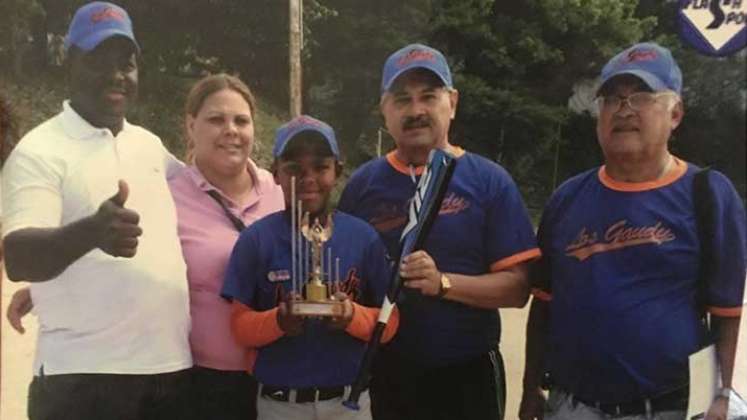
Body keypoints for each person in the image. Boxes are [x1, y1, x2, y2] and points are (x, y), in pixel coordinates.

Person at [519, 42, 746, 420]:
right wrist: (529, 389)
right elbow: (543, 305)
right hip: (573, 405)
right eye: (611, 99)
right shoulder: (568, 199)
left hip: (669, 406)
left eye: (640, 96)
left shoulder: (707, 194)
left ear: (675, 113)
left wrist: (721, 395)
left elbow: (727, 312)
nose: (623, 109)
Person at [0, 3, 192, 419]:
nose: (116, 75)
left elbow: (205, 195)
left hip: (169, 373)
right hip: (84, 381)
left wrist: (257, 173)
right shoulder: (40, 151)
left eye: (126, 64)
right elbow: (17, 256)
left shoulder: (149, 145)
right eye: (99, 62)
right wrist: (92, 233)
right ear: (68, 62)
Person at [337, 43, 539, 420]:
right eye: (402, 99)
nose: (416, 111)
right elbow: (347, 279)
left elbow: (517, 289)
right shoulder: (362, 186)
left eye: (428, 97)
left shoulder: (489, 181)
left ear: (453, 102)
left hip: (467, 372)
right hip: (387, 374)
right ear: (385, 110)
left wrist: (443, 283)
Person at [221, 115, 400, 420]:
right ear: (275, 173)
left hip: (349, 403)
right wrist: (279, 320)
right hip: (281, 405)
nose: (308, 178)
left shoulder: (363, 237)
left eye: (320, 167)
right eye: (294, 169)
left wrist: (351, 316)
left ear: (338, 172)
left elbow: (391, 321)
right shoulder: (256, 240)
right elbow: (239, 327)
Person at [168, 73, 284, 420]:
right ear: (191, 125)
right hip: (204, 386)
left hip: (280, 378)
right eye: (216, 119)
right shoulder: (168, 196)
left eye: (241, 121)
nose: (230, 130)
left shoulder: (280, 189)